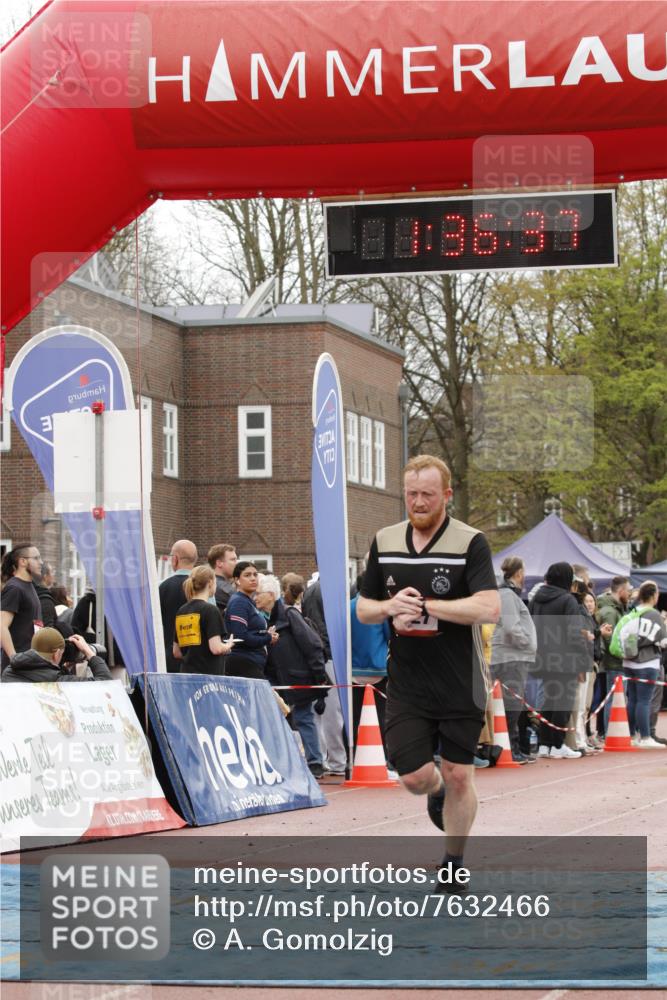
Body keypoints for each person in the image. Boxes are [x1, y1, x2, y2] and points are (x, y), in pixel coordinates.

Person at [356, 454, 499, 880]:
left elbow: (490, 606)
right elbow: (363, 609)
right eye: (411, 494)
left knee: (459, 773)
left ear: (446, 496)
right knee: (416, 777)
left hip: (461, 678)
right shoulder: (385, 540)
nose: (418, 502)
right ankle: (433, 792)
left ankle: (453, 864)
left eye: (427, 495)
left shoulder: (470, 542)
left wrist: (429, 607)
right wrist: (388, 607)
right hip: (408, 682)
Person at [268, 573, 328, 777]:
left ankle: (315, 762)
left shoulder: (289, 615)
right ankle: (304, 761)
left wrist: (319, 676)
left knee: (304, 717)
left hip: (296, 677)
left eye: (260, 593)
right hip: (280, 676)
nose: (256, 597)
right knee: (295, 718)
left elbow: (312, 644)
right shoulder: (268, 617)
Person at [530, 562, 589, 759]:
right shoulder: (567, 600)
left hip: (543, 657)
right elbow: (573, 633)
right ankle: (557, 744)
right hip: (566, 659)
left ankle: (545, 744)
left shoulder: (536, 599)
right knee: (564, 702)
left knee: (548, 701)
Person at [490, 556, 538, 764]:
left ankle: (511, 745)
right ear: (518, 573)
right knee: (512, 704)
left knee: (510, 704)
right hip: (511, 657)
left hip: (509, 655)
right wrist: (527, 643)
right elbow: (511, 628)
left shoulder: (506, 594)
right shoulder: (508, 596)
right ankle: (511, 746)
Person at [302, 575, 348, 777]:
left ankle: (325, 758)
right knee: (331, 711)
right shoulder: (326, 591)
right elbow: (321, 627)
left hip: (321, 654)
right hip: (328, 655)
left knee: (322, 711)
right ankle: (336, 760)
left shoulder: (312, 591)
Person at [350, 569, 390, 759]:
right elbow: (389, 635)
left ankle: (355, 755)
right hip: (377, 667)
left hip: (353, 669)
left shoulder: (348, 607)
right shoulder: (379, 609)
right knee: (380, 714)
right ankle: (380, 756)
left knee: (355, 715)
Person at [623, 580, 667, 749]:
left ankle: (632, 734)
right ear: (654, 595)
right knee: (644, 701)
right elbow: (663, 641)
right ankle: (646, 736)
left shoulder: (633, 611)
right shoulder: (654, 614)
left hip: (629, 660)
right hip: (647, 662)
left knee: (633, 699)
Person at [173, 565, 234, 675]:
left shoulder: (181, 611)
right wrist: (228, 645)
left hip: (187, 675)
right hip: (208, 677)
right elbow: (216, 648)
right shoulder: (211, 610)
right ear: (210, 583)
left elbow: (177, 652)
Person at [224, 561, 278, 678]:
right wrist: (268, 638)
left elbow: (252, 632)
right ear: (237, 580)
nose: (253, 578)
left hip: (253, 662)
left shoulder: (248, 601)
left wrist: (267, 635)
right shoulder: (239, 602)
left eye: (255, 574)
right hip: (243, 663)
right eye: (247, 575)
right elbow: (240, 637)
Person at [1, 628, 112, 682]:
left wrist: (63, 669)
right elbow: (105, 682)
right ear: (56, 654)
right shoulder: (57, 680)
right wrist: (89, 653)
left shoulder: (9, 672)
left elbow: (38, 672)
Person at [596, 576, 632, 735]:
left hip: (616, 662)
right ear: (622, 590)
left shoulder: (615, 609)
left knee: (616, 699)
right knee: (614, 699)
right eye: (629, 590)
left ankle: (611, 732)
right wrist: (624, 655)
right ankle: (611, 733)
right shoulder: (610, 611)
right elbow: (611, 640)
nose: (630, 593)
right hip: (615, 663)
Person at [159, 539, 199, 673]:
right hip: (198, 658)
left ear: (175, 559)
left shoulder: (161, 587)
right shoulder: (204, 587)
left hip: (168, 656)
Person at [1, 544, 43, 670]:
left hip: (31, 662)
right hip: (17, 669)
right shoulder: (14, 588)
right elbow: (2, 625)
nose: (41, 562)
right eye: (36, 558)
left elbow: (36, 624)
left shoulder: (29, 586)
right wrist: (14, 657)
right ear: (23, 561)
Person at [207, 543, 238, 615]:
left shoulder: (207, 584)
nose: (236, 563)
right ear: (219, 563)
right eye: (233, 560)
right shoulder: (225, 589)